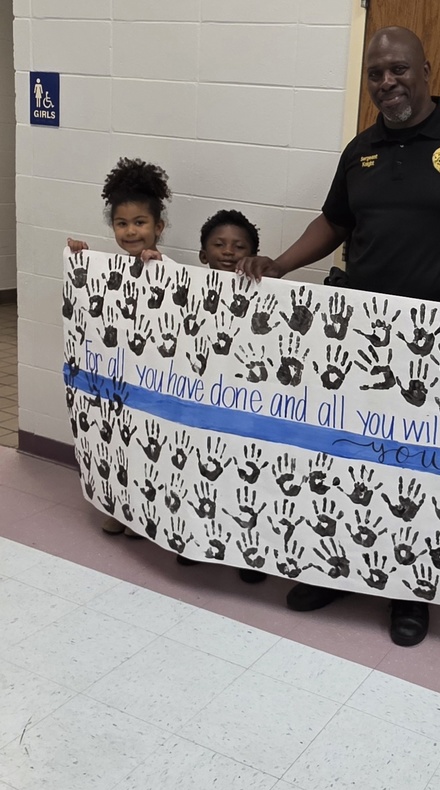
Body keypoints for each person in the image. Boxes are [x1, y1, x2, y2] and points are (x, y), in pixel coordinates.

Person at [237, 27, 440, 647]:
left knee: (420, 473)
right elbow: (335, 221)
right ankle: (337, 568)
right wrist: (279, 264)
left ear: (426, 71)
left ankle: (409, 591)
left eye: (398, 70)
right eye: (376, 74)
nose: (387, 83)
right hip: (362, 339)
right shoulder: (360, 152)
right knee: (347, 460)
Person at [68, 157, 170, 537]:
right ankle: (118, 508)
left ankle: (143, 514)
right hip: (115, 378)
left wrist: (157, 265)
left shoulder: (165, 265)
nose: (130, 231)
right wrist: (79, 257)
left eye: (140, 223)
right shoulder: (106, 269)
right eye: (122, 223)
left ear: (157, 227)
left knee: (148, 447)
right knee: (115, 442)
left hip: (153, 379)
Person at [174, 210, 267, 583]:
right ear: (202, 254)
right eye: (219, 244)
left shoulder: (268, 294)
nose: (228, 252)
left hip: (247, 409)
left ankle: (250, 552)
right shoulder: (184, 289)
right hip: (201, 406)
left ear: (255, 254)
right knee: (202, 472)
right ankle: (198, 540)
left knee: (248, 478)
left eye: (239, 246)